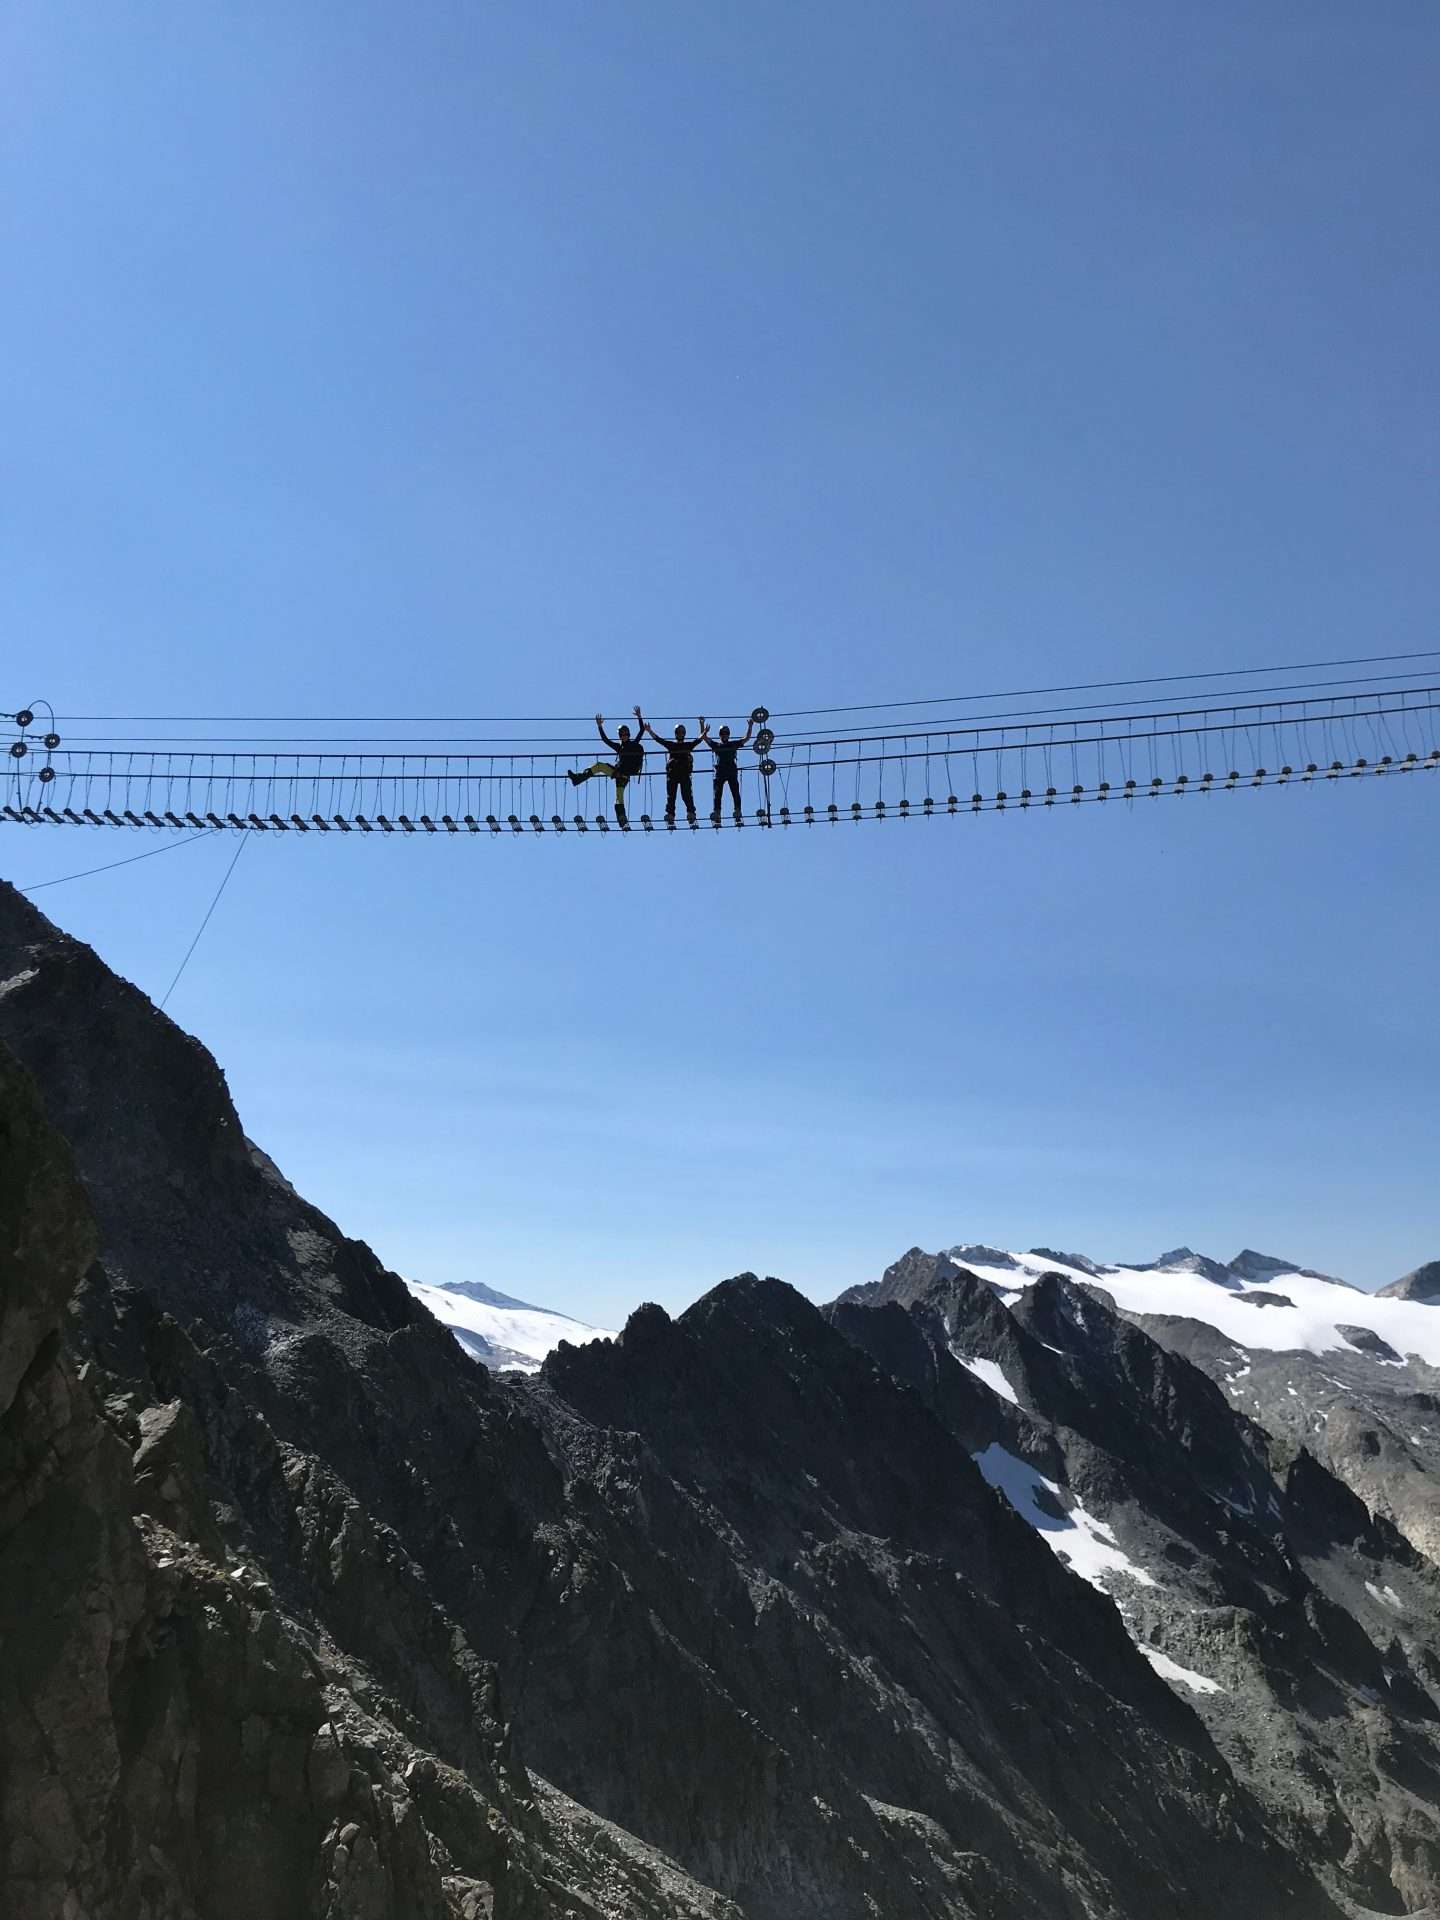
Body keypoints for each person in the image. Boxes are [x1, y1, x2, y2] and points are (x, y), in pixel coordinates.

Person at [569, 707, 647, 826]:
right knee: (599, 766)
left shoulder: (633, 744)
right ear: (620, 736)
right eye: (622, 734)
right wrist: (600, 726)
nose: (624, 736)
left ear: (628, 735)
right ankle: (578, 778)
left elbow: (641, 730)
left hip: (624, 775)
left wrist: (639, 717)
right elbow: (605, 740)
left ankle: (622, 818)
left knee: (619, 796)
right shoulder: (619, 747)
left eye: (625, 734)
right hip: (618, 773)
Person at [641, 714, 703, 826]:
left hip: (683, 774)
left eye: (682, 732)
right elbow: (659, 739)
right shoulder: (672, 745)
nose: (680, 734)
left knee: (686, 795)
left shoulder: (688, 745)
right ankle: (671, 815)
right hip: (673, 774)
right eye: (678, 732)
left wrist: (702, 725)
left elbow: (700, 739)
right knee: (671, 796)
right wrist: (649, 731)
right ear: (676, 734)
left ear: (684, 734)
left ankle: (691, 813)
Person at [704, 716, 755, 824]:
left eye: (726, 733)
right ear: (720, 735)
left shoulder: (733, 744)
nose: (724, 735)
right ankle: (717, 812)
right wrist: (702, 726)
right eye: (722, 733)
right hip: (721, 772)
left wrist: (750, 726)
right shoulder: (717, 745)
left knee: (735, 792)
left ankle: (737, 811)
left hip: (731, 771)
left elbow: (746, 738)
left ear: (729, 734)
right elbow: (705, 738)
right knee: (717, 793)